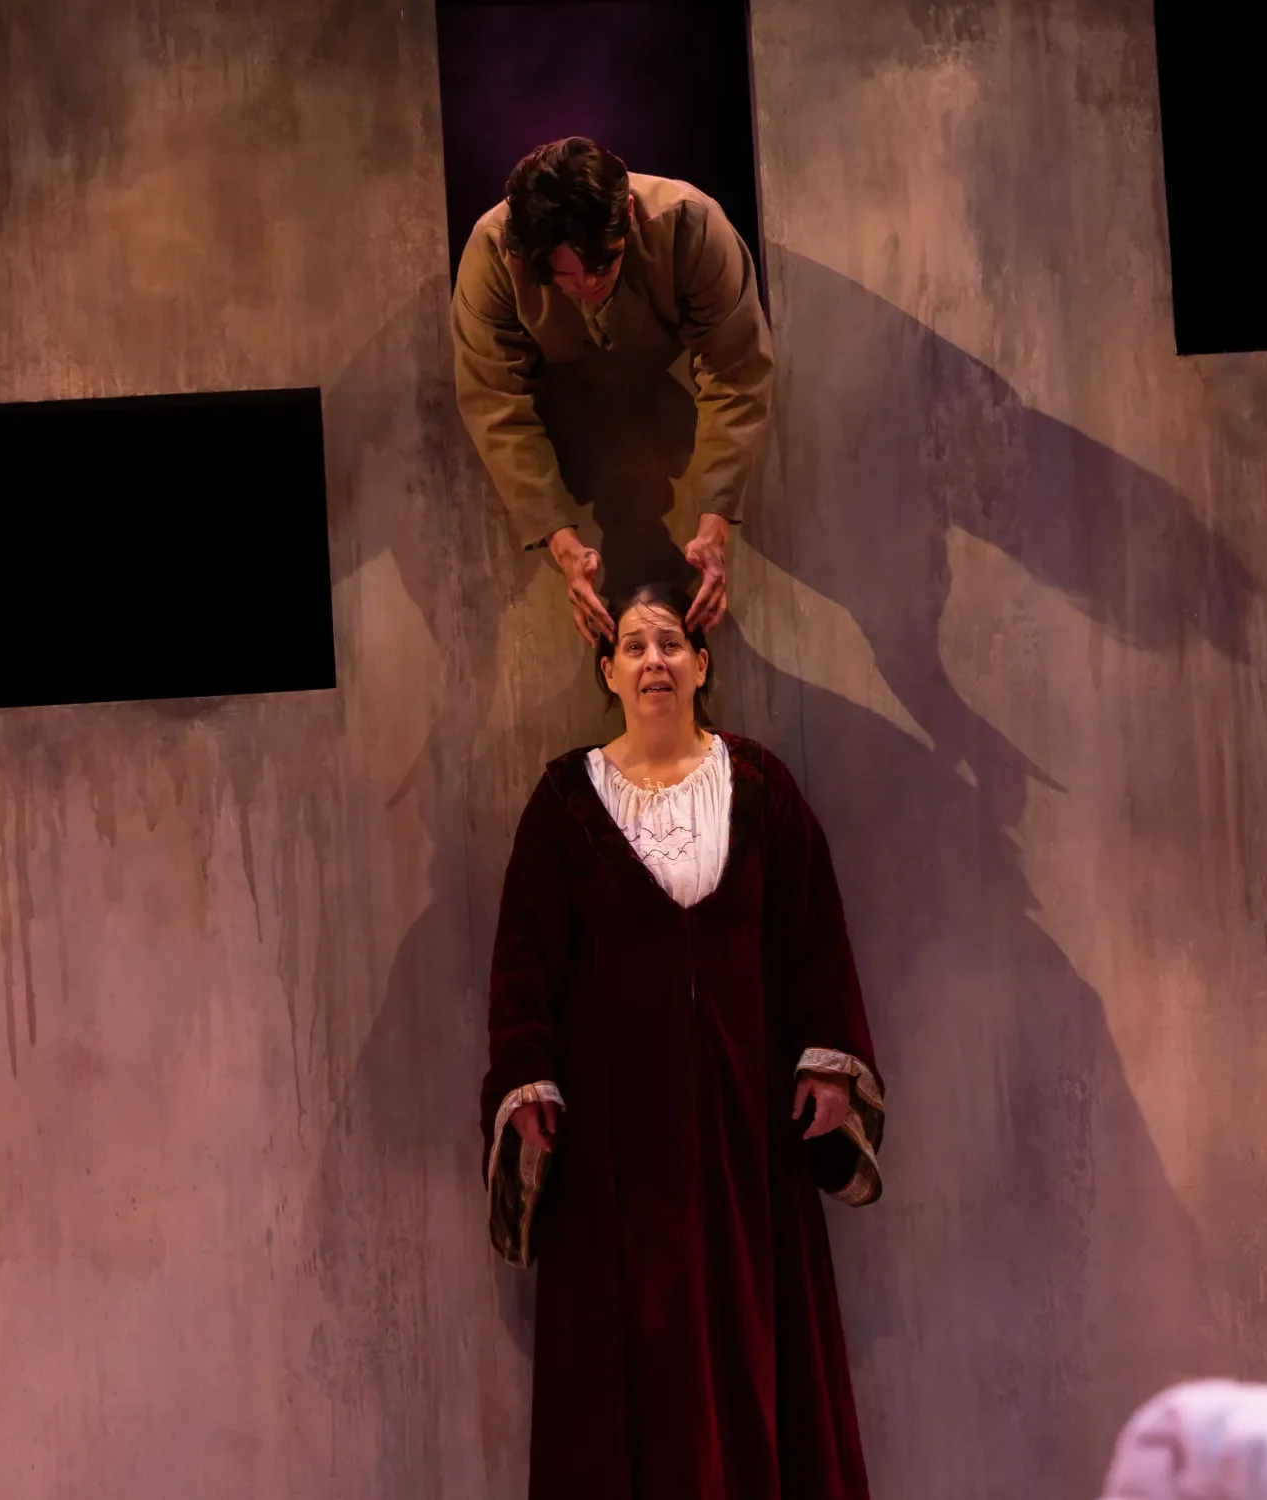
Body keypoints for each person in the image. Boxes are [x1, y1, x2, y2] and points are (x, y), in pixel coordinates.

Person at [479, 580, 885, 1499]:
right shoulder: (563, 803)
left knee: (753, 1347)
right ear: (608, 674)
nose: (654, 659)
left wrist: (829, 1063)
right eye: (634, 646)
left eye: (671, 643)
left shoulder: (763, 788)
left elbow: (815, 937)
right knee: (635, 1365)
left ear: (702, 667)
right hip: (620, 1159)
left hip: (750, 1141)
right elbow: (524, 963)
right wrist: (528, 1080)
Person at [451, 137, 774, 643]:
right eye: (567, 277)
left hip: (667, 395)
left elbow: (735, 370)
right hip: (564, 410)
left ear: (625, 212)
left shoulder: (691, 225)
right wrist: (561, 541)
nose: (588, 284)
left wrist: (714, 524)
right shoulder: (493, 252)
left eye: (604, 266)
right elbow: (495, 401)